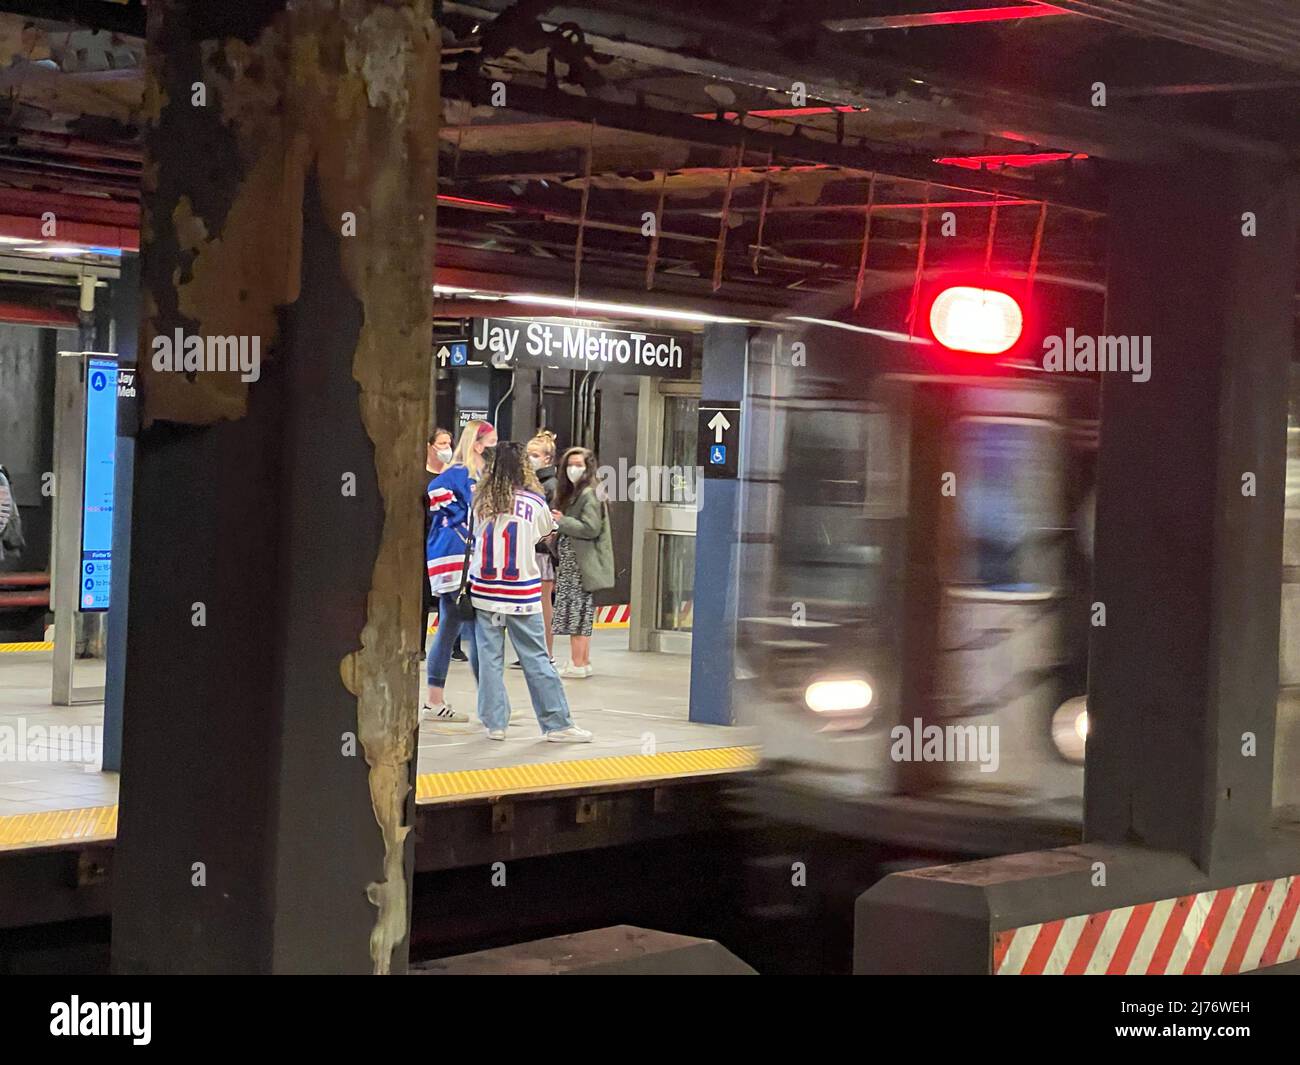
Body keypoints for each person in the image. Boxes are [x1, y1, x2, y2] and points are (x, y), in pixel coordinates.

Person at [470, 441, 592, 743]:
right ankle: (557, 724)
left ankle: (494, 723)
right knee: (536, 658)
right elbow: (543, 534)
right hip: (521, 593)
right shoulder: (534, 503)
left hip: (485, 592)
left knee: (489, 659)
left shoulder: (481, 500)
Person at [423, 419, 497, 722]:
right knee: (475, 626)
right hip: (455, 559)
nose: (495, 447)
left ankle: (441, 699)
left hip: (466, 558)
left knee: (457, 625)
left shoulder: (479, 474)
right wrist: (462, 522)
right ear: (478, 443)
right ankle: (489, 702)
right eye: (491, 441)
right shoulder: (458, 474)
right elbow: (437, 496)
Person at [551, 446, 615, 679]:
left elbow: (590, 528)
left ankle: (577, 662)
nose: (573, 469)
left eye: (578, 464)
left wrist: (562, 521)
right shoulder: (586, 492)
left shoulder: (588, 494)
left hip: (579, 563)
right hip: (577, 561)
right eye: (570, 464)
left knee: (576, 612)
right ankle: (582, 660)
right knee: (582, 612)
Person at [512, 429, 560, 665]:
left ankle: (545, 653)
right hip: (531, 550)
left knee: (542, 603)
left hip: (541, 553)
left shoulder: (548, 485)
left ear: (547, 458)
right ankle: (534, 652)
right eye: (528, 454)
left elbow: (548, 523)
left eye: (535, 454)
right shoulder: (532, 483)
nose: (530, 459)